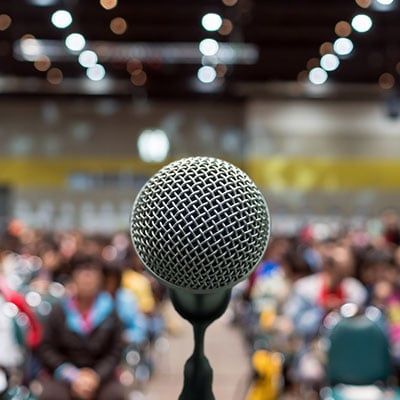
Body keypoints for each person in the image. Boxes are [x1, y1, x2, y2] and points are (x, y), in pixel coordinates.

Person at [38, 254, 126, 400]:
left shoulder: (110, 311)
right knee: (52, 395)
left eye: (92, 273)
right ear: (73, 278)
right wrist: (72, 375)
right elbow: (47, 348)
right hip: (65, 374)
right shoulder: (58, 311)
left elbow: (115, 351)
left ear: (100, 279)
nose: (87, 278)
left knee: (114, 395)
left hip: (100, 375)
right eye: (82, 273)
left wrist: (95, 376)